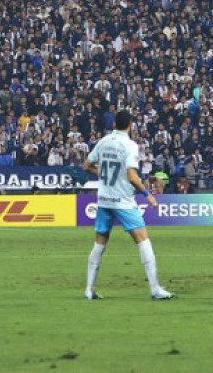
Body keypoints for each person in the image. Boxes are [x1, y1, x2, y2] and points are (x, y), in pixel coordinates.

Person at [81, 110, 174, 300]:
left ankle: (89, 289)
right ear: (130, 125)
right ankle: (155, 289)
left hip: (104, 199)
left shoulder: (104, 141)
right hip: (122, 201)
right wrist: (148, 194)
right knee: (143, 239)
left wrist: (105, 174)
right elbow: (132, 176)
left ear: (114, 123)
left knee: (99, 244)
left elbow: (86, 166)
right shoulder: (130, 145)